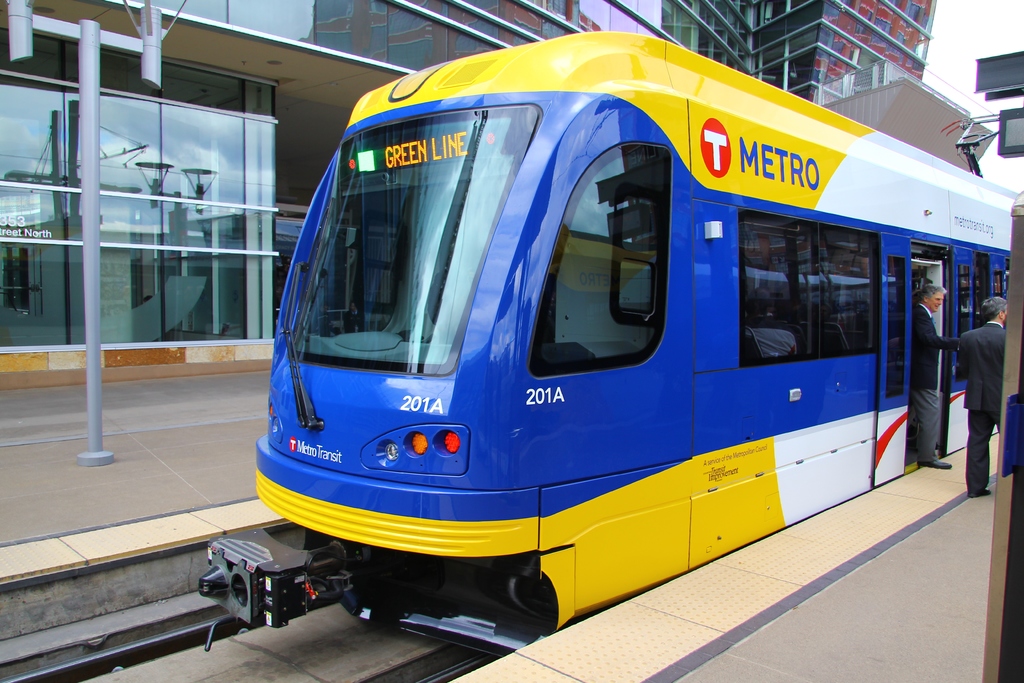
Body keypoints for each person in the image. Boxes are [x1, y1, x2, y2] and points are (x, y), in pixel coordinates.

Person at [956, 296, 1007, 497]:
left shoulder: (968, 337)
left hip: (976, 398)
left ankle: (975, 488)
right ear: (1001, 314)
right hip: (1002, 399)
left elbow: (964, 369)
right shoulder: (1009, 338)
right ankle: (1010, 486)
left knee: (977, 442)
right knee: (1010, 442)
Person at [909, 283, 959, 469]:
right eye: (937, 299)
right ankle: (927, 457)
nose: (940, 303)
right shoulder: (921, 314)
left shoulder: (921, 313)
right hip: (922, 374)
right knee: (931, 414)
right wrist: (957, 343)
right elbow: (927, 339)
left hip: (918, 372)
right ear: (926, 298)